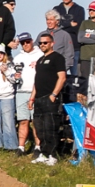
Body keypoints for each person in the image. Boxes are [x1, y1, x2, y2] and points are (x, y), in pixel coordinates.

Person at [31, 32, 67, 164]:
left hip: (50, 98)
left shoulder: (57, 58)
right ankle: (44, 153)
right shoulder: (40, 60)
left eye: (45, 43)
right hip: (38, 99)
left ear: (52, 43)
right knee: (40, 128)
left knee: (50, 127)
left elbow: (62, 77)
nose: (42, 45)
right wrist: (32, 98)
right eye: (40, 43)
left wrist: (54, 95)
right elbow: (37, 81)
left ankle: (53, 155)